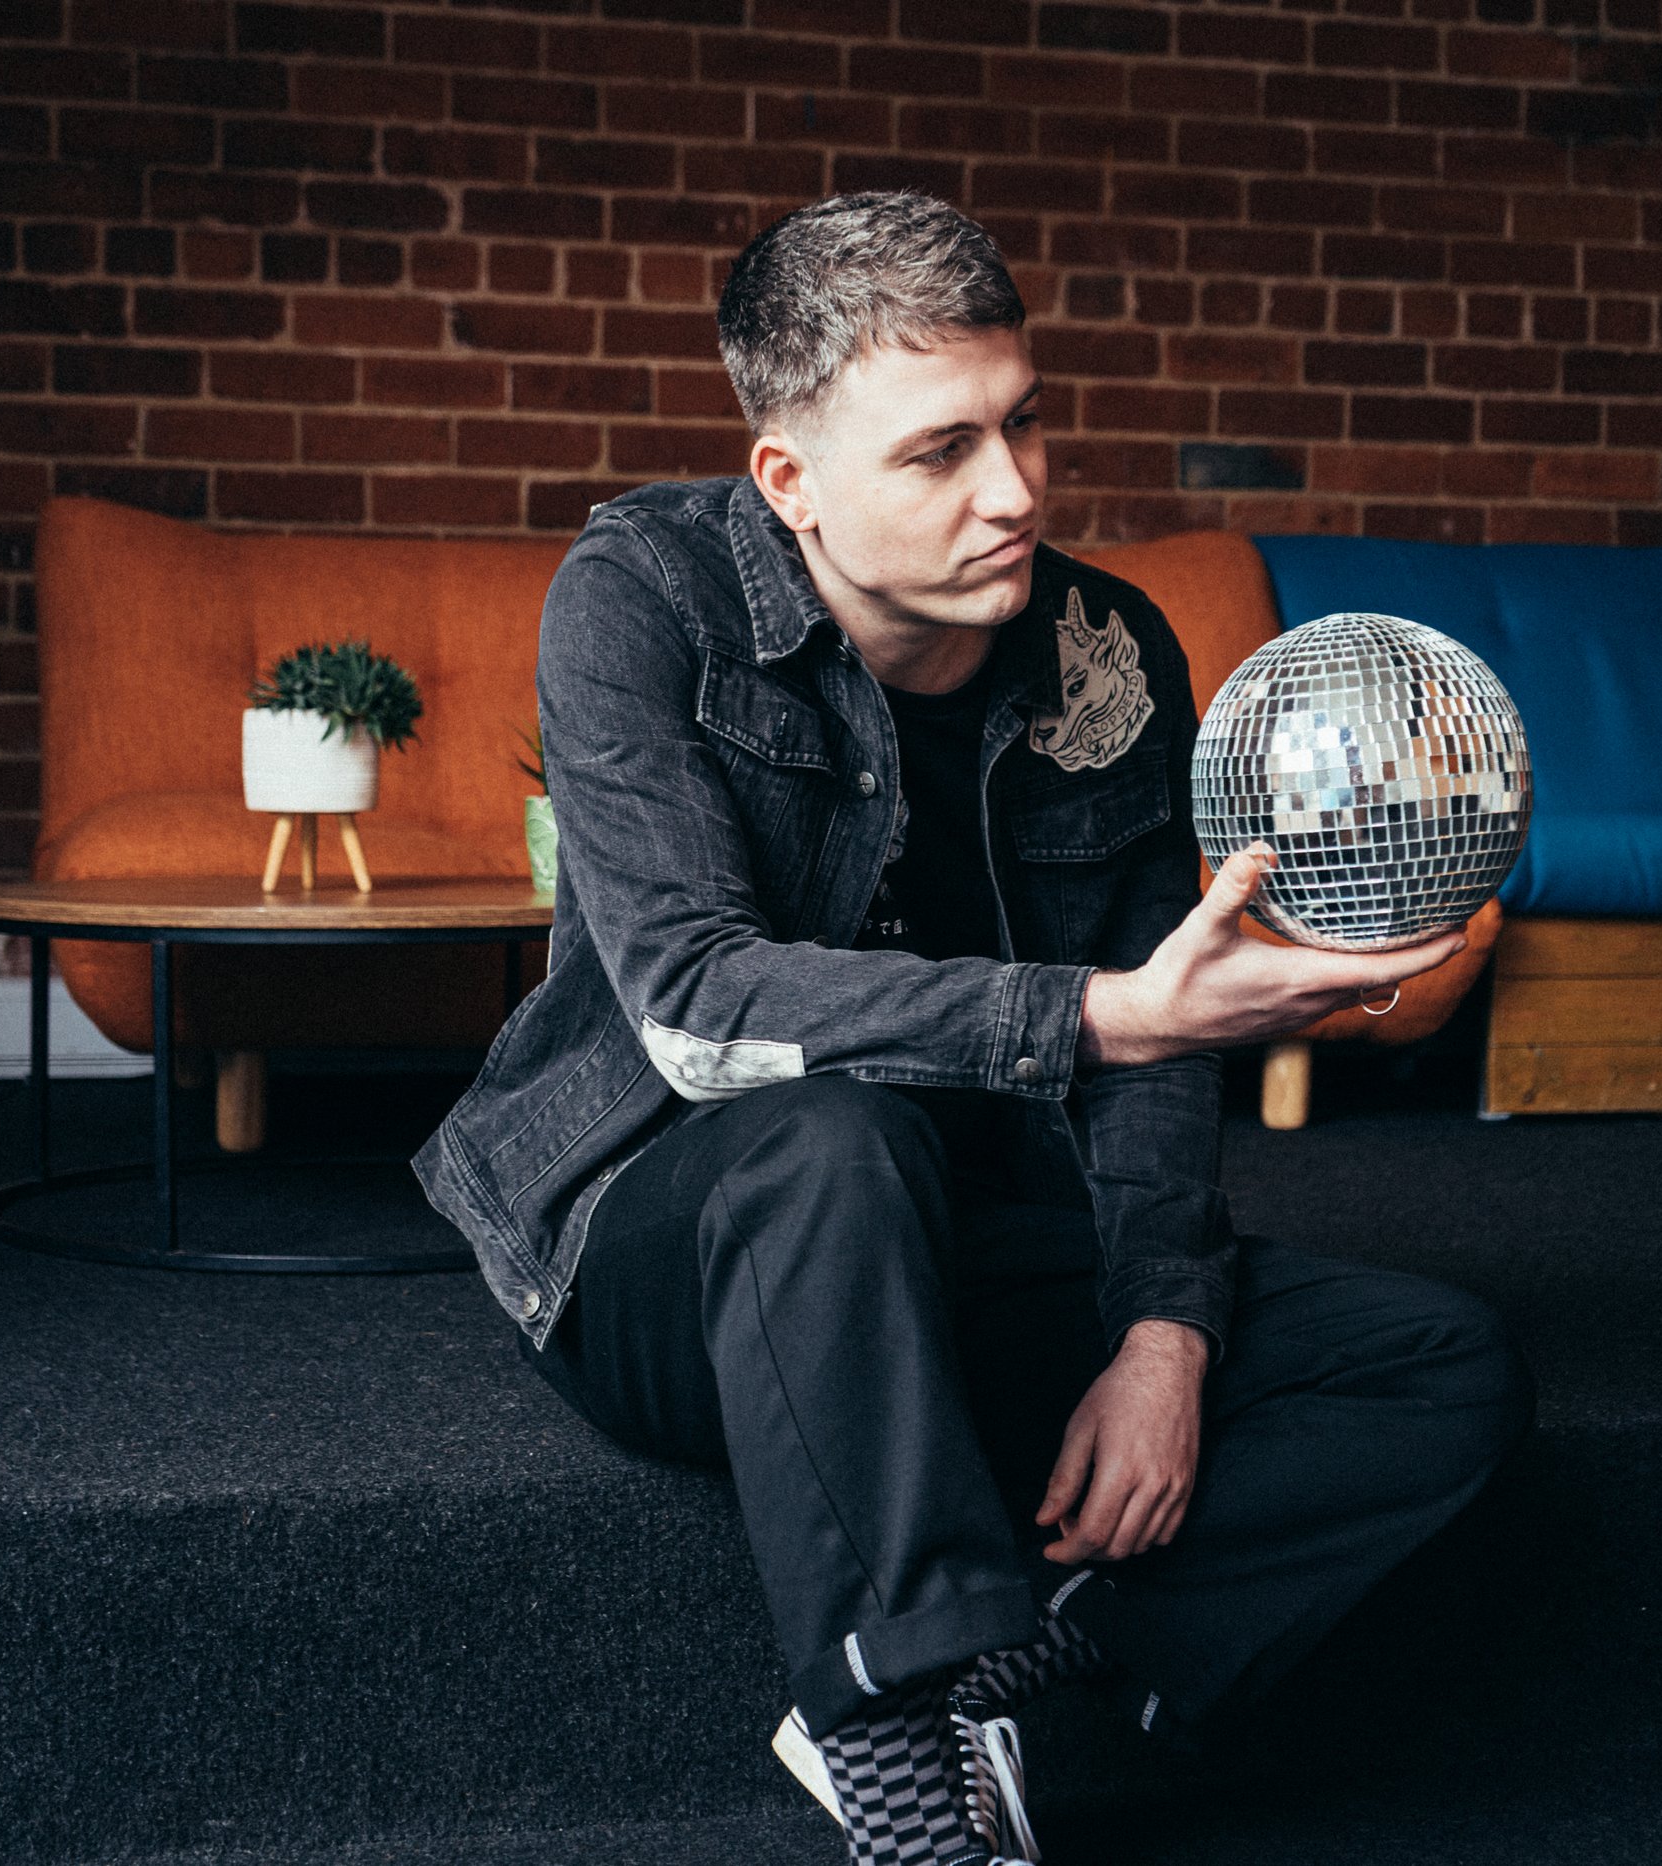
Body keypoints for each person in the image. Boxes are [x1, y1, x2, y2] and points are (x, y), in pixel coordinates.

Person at [410, 192, 1538, 1866]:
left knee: (1442, 1364)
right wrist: (1101, 1012)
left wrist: (1162, 1332)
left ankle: (1029, 1645)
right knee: (832, 1137)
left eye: (1023, 423)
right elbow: (701, 1008)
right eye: (940, 451)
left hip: (956, 1236)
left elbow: (1157, 1049)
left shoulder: (1109, 653)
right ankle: (902, 1764)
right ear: (790, 480)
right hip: (668, 1242)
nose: (1014, 490)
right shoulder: (643, 597)